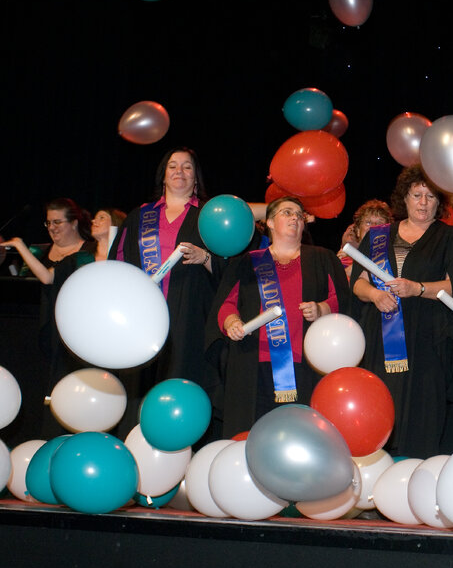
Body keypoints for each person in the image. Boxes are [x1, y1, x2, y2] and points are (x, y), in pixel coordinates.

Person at [206, 197, 350, 436]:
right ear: (270, 222)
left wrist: (321, 308)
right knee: (253, 436)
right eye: (287, 212)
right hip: (254, 365)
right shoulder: (248, 262)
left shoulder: (322, 258)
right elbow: (226, 304)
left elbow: (342, 300)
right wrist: (231, 322)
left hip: (307, 365)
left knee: (302, 435)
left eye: (299, 214)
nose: (295, 217)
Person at [350, 166, 453, 458]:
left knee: (423, 411)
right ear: (404, 198)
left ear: (439, 203)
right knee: (382, 407)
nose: (423, 203)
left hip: (429, 339)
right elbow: (358, 283)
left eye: (430, 197)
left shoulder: (451, 237)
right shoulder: (377, 236)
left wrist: (418, 288)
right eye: (417, 195)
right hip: (381, 340)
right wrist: (376, 295)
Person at [109, 147, 220, 433]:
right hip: (142, 319)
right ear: (163, 175)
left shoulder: (209, 217)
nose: (179, 172)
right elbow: (118, 265)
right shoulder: (140, 216)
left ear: (196, 178)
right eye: (173, 166)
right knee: (140, 390)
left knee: (182, 389)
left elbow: (231, 269)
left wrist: (205, 257)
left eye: (187, 167)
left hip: (190, 319)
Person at [1, 199, 98, 401]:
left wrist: (19, 245)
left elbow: (47, 278)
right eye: (48, 223)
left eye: (57, 222)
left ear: (74, 223)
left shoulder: (89, 251)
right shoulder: (39, 251)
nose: (52, 228)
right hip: (34, 327)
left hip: (69, 332)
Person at [338, 199, 392, 270]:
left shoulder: (394, 259)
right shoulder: (343, 264)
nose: (373, 227)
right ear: (358, 231)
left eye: (379, 223)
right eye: (368, 223)